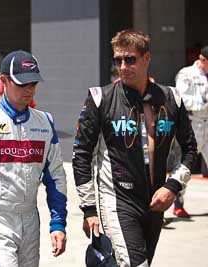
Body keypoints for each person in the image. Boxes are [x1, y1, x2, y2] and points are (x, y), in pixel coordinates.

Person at [73, 29, 197, 267]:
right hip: (117, 201)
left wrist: (173, 186)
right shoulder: (100, 98)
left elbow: (190, 148)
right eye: (117, 60)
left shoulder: (172, 98)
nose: (123, 66)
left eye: (130, 59)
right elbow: (81, 157)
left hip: (155, 203)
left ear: (146, 58)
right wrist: (89, 209)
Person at [0, 50, 67, 267]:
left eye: (33, 83)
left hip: (30, 217)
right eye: (22, 83)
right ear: (3, 81)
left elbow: (56, 177)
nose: (29, 90)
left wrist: (58, 223)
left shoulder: (45, 122)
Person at [172, 45, 208, 217]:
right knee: (185, 165)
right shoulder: (186, 74)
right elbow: (181, 98)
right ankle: (178, 203)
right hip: (193, 123)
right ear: (202, 59)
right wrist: (203, 101)